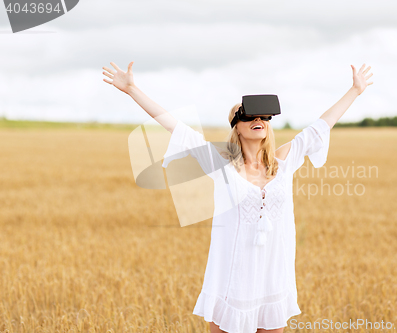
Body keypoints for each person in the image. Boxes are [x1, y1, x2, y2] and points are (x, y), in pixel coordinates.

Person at [102, 62, 373, 333]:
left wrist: (355, 90)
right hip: (234, 278)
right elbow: (177, 128)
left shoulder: (285, 161)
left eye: (265, 118)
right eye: (250, 117)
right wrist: (132, 90)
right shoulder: (221, 164)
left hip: (272, 275)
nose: (259, 121)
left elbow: (320, 126)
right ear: (236, 126)